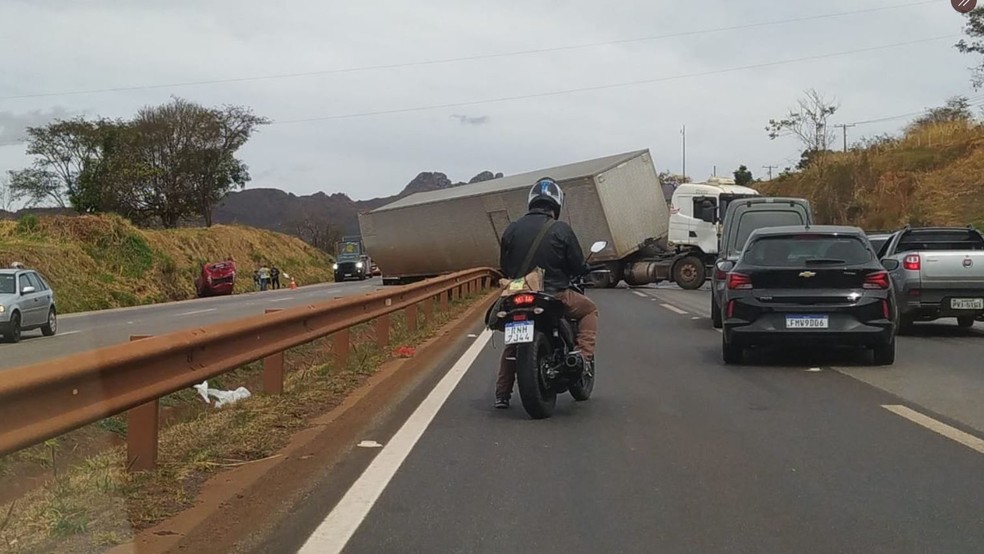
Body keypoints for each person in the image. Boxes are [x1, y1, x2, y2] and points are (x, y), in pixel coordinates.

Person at [494, 177, 599, 409]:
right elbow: (577, 265)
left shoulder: (511, 230)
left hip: (518, 293)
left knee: (514, 341)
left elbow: (505, 267)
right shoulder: (561, 229)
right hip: (555, 294)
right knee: (589, 309)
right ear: (556, 204)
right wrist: (584, 270)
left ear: (532, 202)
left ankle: (502, 393)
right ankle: (582, 356)